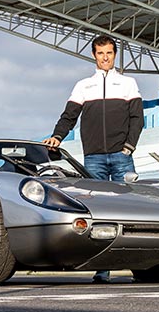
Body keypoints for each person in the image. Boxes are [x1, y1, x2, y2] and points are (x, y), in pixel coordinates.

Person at [42, 35, 143, 283]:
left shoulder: (128, 83)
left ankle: (138, 263)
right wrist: (57, 136)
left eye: (109, 53)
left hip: (122, 157)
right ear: (94, 55)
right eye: (100, 53)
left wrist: (128, 148)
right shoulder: (83, 86)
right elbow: (69, 116)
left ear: (115, 54)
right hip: (94, 158)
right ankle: (102, 268)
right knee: (99, 214)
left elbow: (137, 119)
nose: (105, 58)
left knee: (129, 211)